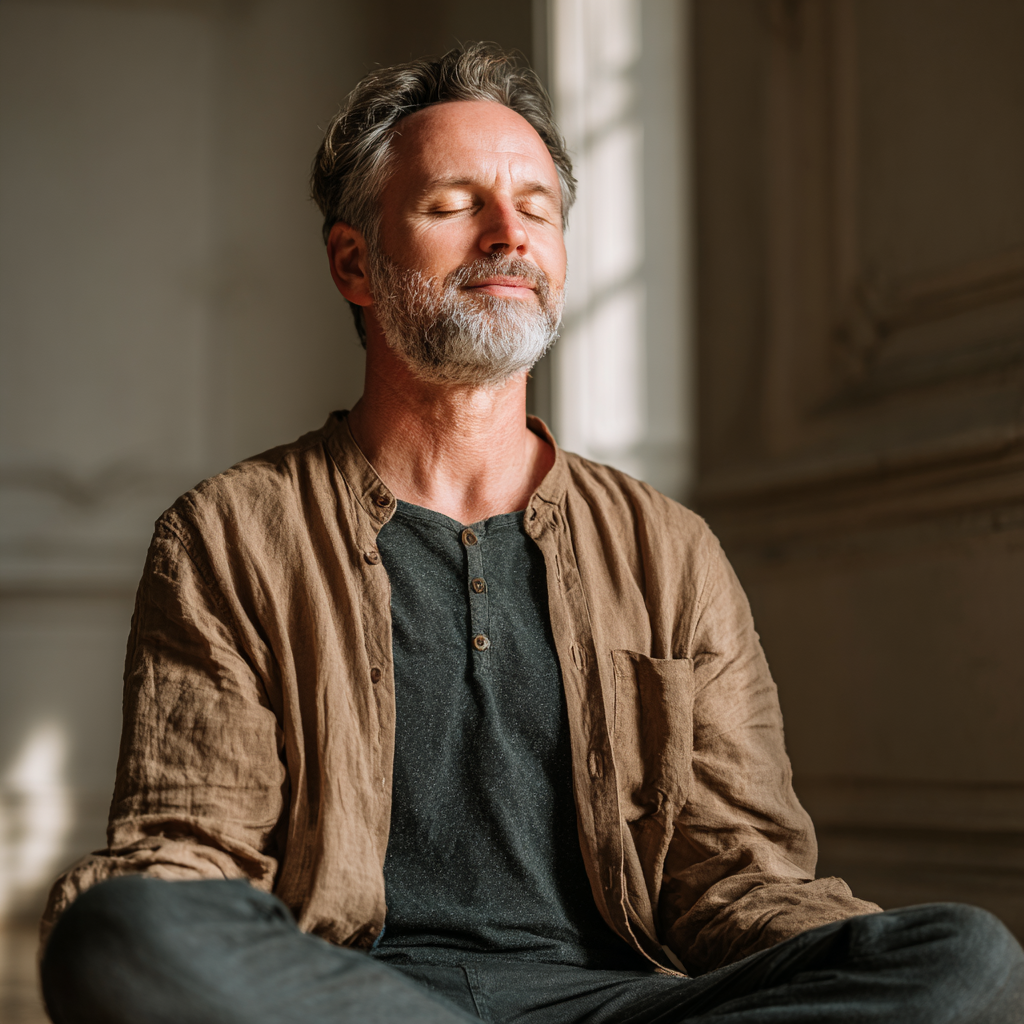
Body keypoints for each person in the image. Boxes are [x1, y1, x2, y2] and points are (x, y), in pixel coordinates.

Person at [39, 43, 1023, 1024]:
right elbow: (194, 847)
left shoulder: (668, 551)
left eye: (537, 208)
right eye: (454, 204)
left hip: (612, 1005)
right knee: (124, 931)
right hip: (347, 994)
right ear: (354, 262)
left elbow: (739, 878)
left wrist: (855, 962)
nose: (508, 233)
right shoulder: (229, 535)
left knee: (968, 959)